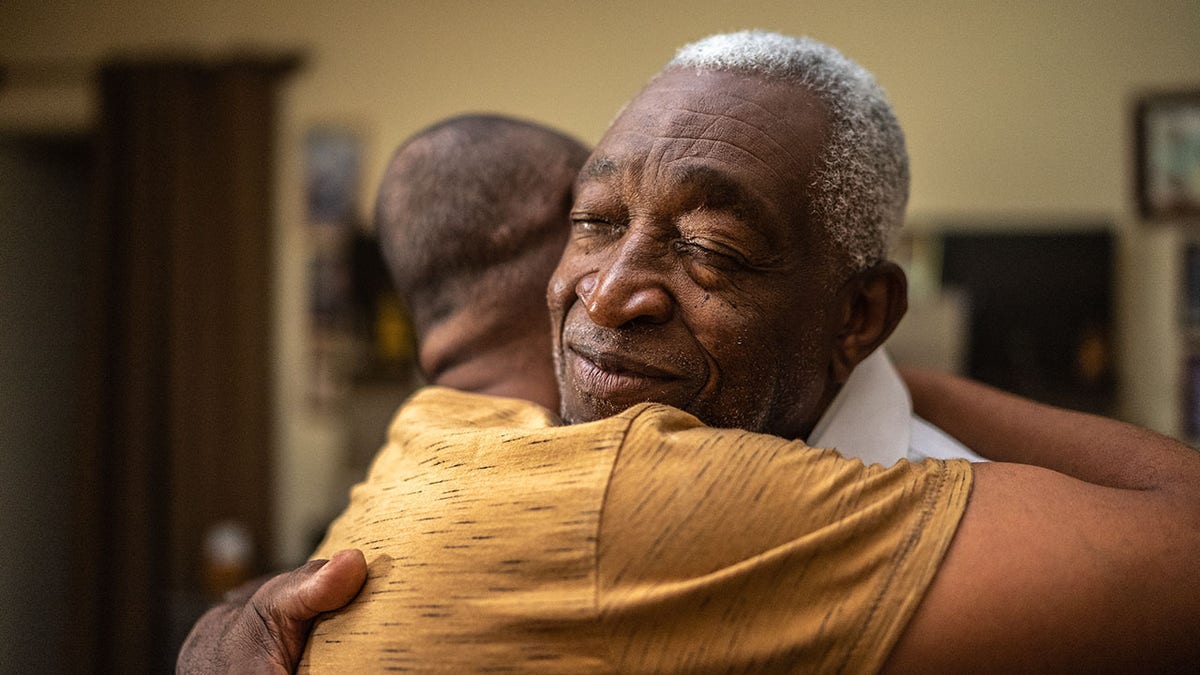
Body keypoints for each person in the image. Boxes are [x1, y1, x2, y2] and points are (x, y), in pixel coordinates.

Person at [184, 33, 1200, 672]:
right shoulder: (515, 455)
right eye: (592, 221)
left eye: (712, 247)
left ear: (860, 316)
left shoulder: (991, 542)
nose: (611, 293)